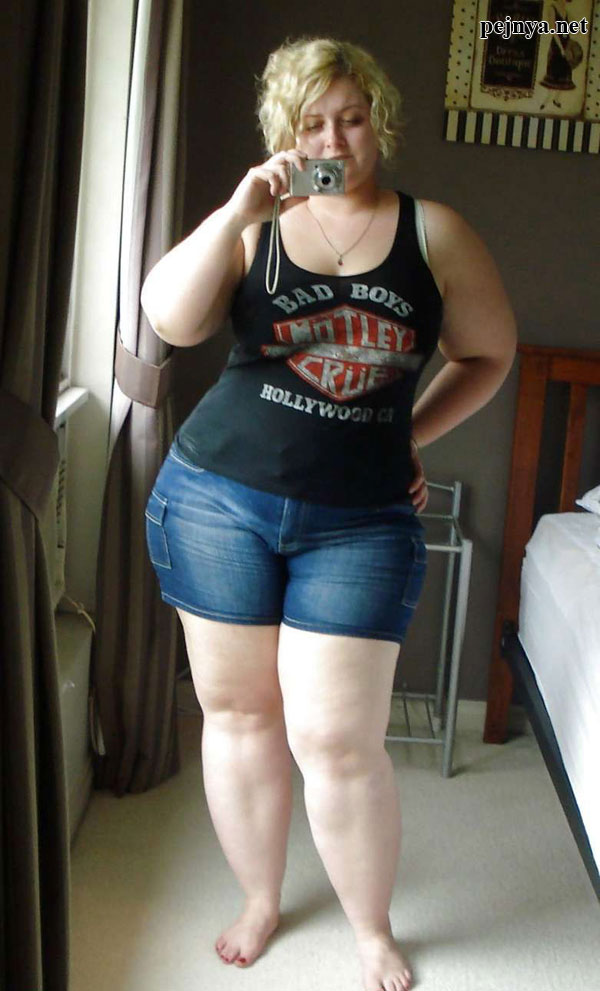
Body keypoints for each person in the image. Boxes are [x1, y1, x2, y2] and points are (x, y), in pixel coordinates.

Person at [141, 36, 516, 991]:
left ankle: (371, 928)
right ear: (285, 131)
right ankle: (260, 899)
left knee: (339, 741)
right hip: (216, 499)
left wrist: (408, 435)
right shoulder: (257, 225)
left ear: (379, 121)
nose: (334, 141)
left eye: (352, 119)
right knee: (239, 713)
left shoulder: (433, 232)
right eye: (312, 123)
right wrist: (238, 211)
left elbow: (488, 353)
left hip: (360, 522)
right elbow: (171, 320)